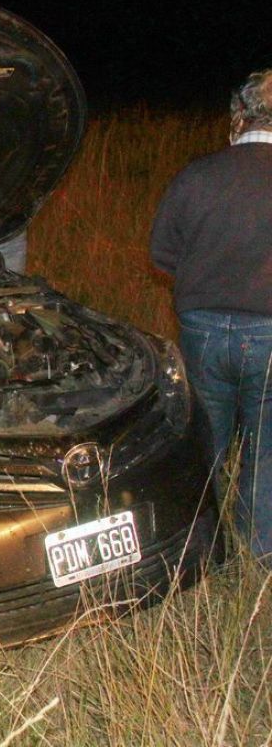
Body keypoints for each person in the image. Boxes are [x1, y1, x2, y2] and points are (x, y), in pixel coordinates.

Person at [151, 68, 272, 563]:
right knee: (265, 451)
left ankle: (200, 555)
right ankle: (259, 555)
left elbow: (162, 253)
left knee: (207, 445)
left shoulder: (197, 175)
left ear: (237, 118)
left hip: (201, 331)